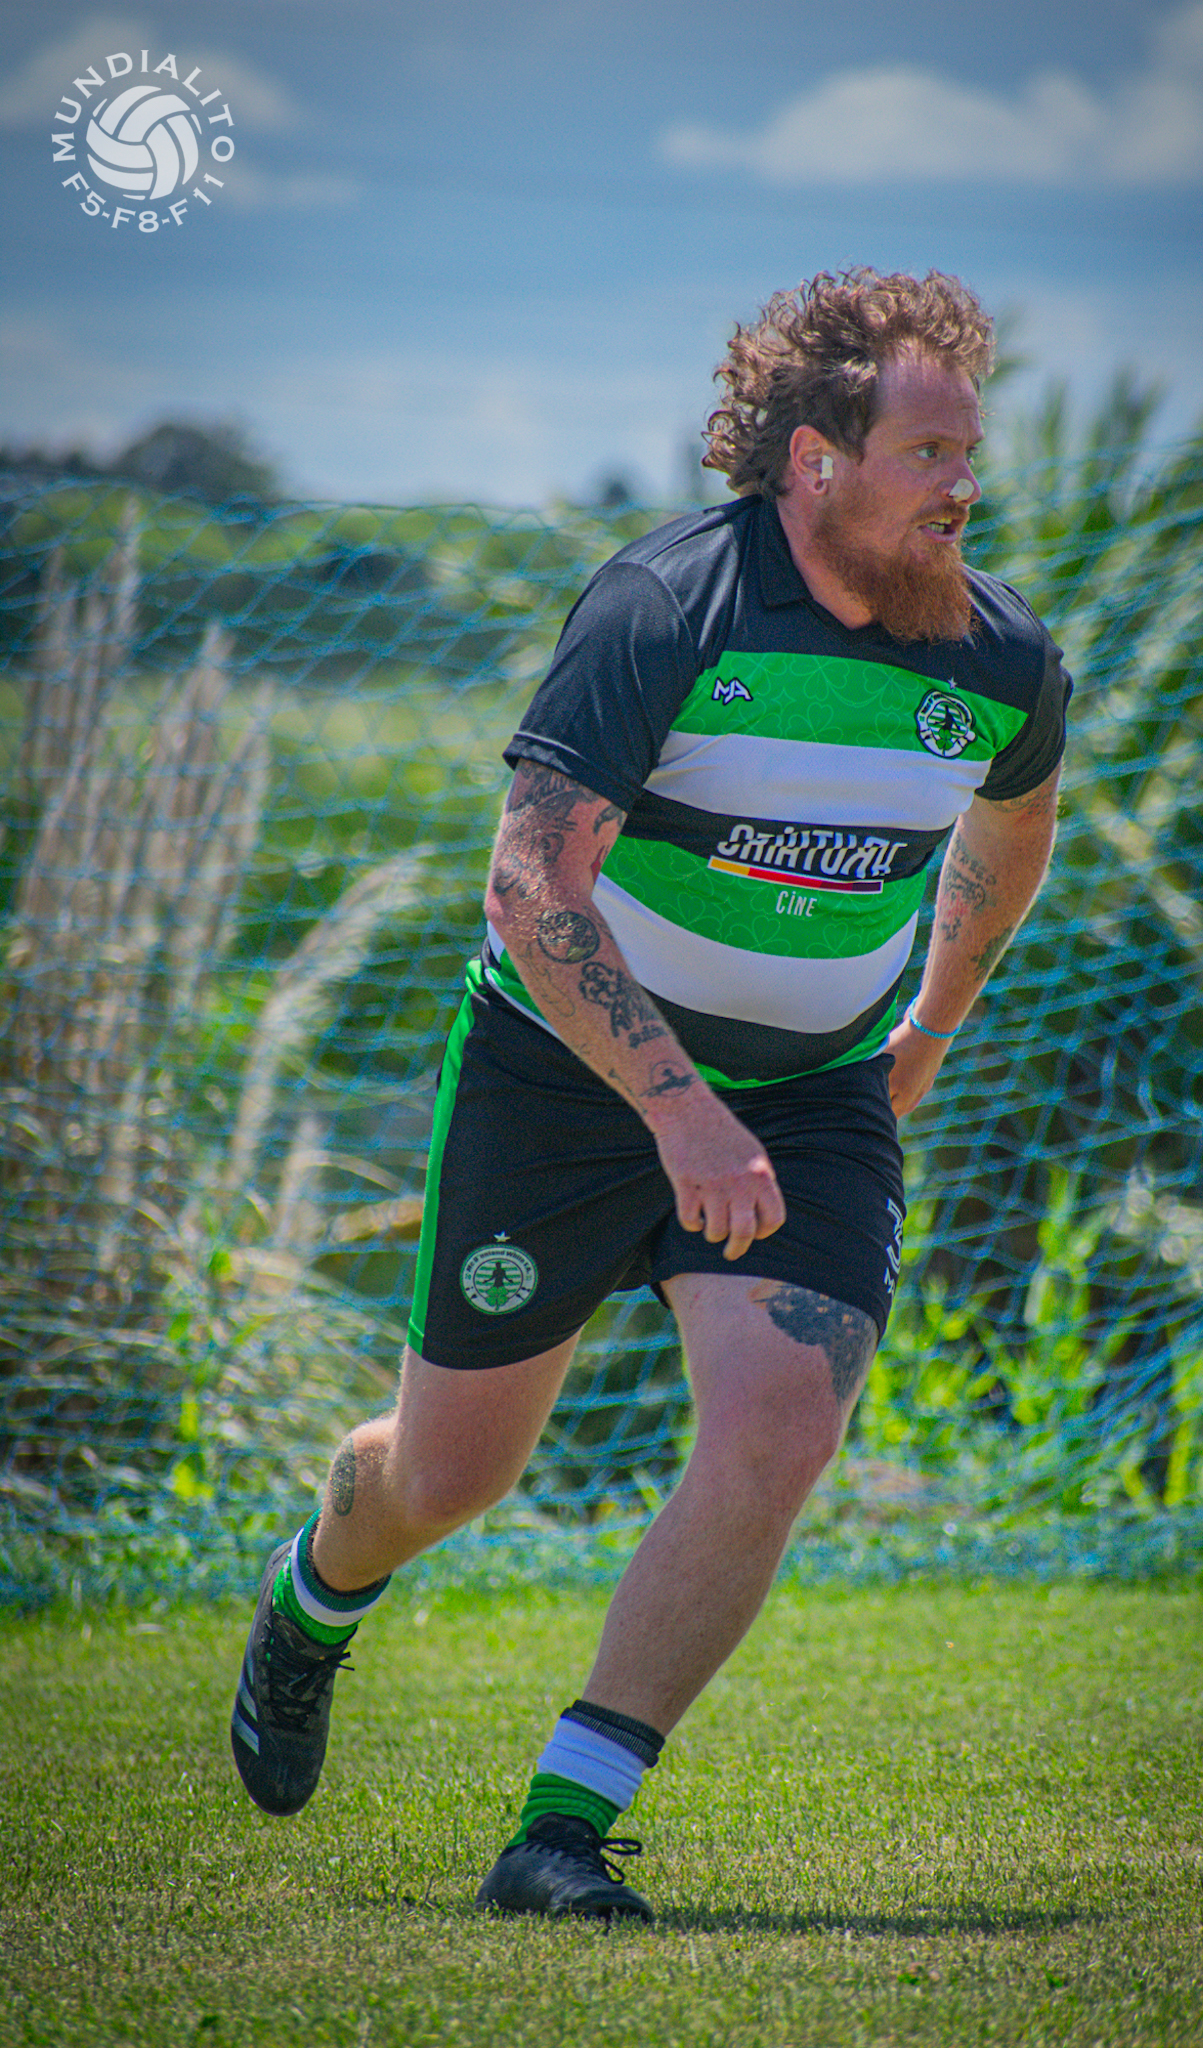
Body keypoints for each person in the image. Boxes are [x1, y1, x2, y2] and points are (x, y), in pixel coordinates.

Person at [229, 267, 1070, 1923]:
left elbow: (1013, 828)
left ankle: (563, 1828)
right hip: (562, 1077)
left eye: (967, 449)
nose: (962, 482)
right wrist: (681, 1110)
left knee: (783, 1420)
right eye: (926, 451)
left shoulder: (997, 652)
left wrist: (926, 1026)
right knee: (448, 1481)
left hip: (814, 1098)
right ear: (814, 459)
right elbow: (531, 888)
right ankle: (314, 1595)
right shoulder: (665, 606)